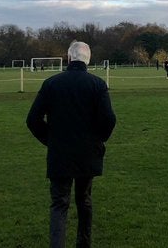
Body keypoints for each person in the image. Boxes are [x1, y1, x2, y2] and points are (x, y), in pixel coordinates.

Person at [26, 41, 117, 248]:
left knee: (59, 204)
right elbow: (109, 120)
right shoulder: (97, 85)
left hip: (60, 153)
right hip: (88, 153)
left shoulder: (51, 84)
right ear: (88, 59)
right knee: (84, 200)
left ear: (68, 58)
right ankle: (83, 244)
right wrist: (97, 140)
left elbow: (33, 120)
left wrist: (50, 140)